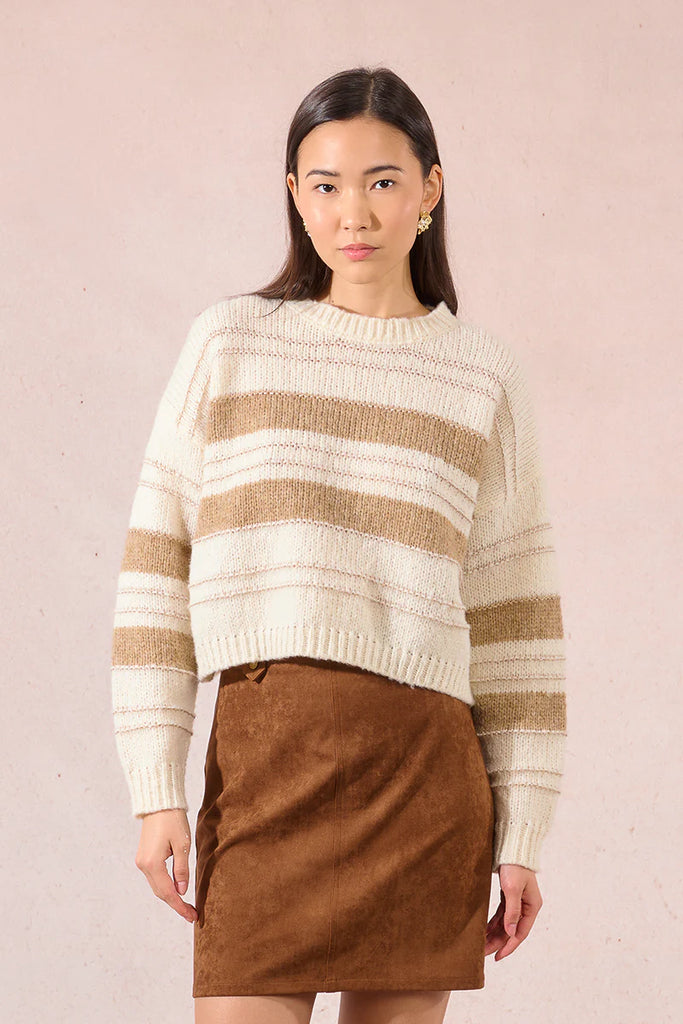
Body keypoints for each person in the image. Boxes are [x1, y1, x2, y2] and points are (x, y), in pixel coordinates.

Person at [111, 66, 567, 1024]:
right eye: (324, 184)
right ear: (294, 195)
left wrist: (521, 832)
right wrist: (156, 789)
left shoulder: (482, 374)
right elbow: (157, 570)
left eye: (381, 181)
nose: (352, 212)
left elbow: (515, 621)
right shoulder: (230, 343)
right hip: (264, 772)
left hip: (421, 784)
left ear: (429, 189)